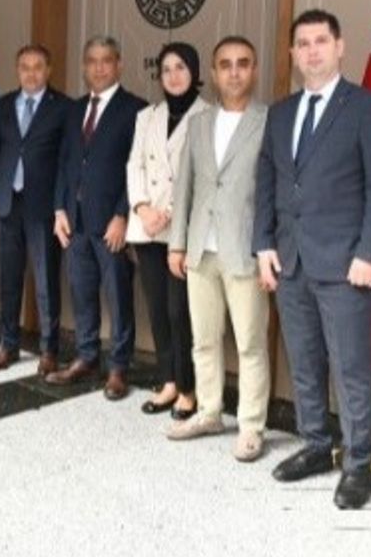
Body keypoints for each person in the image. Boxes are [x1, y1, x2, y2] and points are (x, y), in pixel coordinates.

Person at [253, 9, 371, 509]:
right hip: (290, 262)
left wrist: (369, 253)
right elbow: (267, 183)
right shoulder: (280, 113)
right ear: (293, 54)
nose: (312, 51)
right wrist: (263, 245)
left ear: (339, 47)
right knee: (305, 362)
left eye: (321, 41)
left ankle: (358, 466)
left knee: (350, 369)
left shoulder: (367, 108)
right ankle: (316, 445)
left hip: (346, 265)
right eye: (303, 43)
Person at [165, 36, 271, 462]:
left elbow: (272, 192)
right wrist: (177, 244)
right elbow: (185, 187)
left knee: (249, 344)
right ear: (213, 72)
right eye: (225, 64)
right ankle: (209, 412)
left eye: (243, 63)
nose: (234, 72)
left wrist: (268, 247)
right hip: (200, 250)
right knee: (204, 340)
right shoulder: (199, 123)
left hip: (245, 250)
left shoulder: (269, 121)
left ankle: (251, 426)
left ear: (254, 70)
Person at [45, 35, 146, 400]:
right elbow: (64, 162)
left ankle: (118, 367)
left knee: (118, 296)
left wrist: (122, 215)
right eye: (92, 61)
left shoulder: (137, 110)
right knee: (82, 291)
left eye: (106, 60)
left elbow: (139, 168)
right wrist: (59, 209)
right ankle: (86, 357)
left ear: (119, 64)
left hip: (111, 224)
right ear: (84, 66)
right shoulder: (74, 110)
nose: (99, 67)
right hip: (75, 222)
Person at [125, 42, 208, 419]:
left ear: (195, 72)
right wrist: (143, 207)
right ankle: (168, 381)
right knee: (157, 309)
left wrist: (170, 213)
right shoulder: (147, 116)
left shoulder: (208, 115)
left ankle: (188, 388)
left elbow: (203, 175)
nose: (173, 75)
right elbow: (135, 165)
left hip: (182, 228)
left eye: (181, 67)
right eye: (167, 69)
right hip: (147, 225)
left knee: (180, 312)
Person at [0, 44, 69, 375]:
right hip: (8, 203)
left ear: (49, 70)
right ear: (17, 70)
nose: (31, 73)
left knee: (46, 281)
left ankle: (49, 350)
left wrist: (61, 206)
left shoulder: (63, 107)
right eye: (24, 67)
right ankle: (9, 345)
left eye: (37, 67)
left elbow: (66, 162)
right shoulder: (3, 105)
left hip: (43, 207)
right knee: (9, 279)